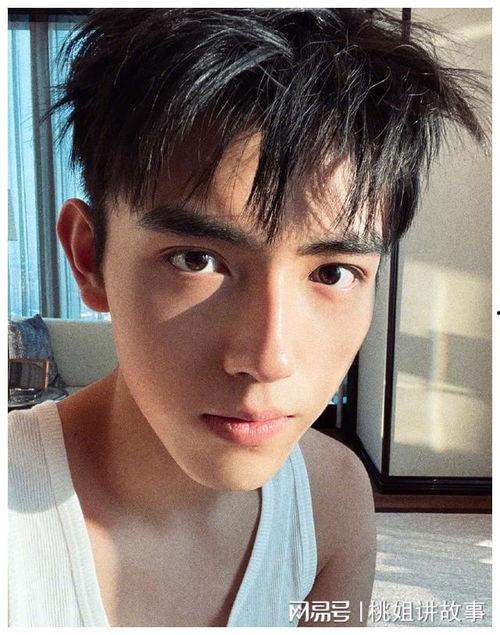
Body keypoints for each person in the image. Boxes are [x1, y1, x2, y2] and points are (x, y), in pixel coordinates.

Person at [8, 8, 488, 627]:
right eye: (197, 260)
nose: (268, 359)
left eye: (333, 272)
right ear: (88, 257)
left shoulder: (333, 497)